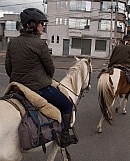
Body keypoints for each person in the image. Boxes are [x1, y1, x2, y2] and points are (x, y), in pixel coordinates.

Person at [5, 8, 77, 148]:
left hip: (17, 87)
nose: (43, 27)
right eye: (41, 24)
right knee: (67, 105)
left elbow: (8, 69)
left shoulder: (12, 43)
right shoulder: (40, 44)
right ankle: (65, 136)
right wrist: (44, 79)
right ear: (33, 24)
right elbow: (51, 70)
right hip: (39, 88)